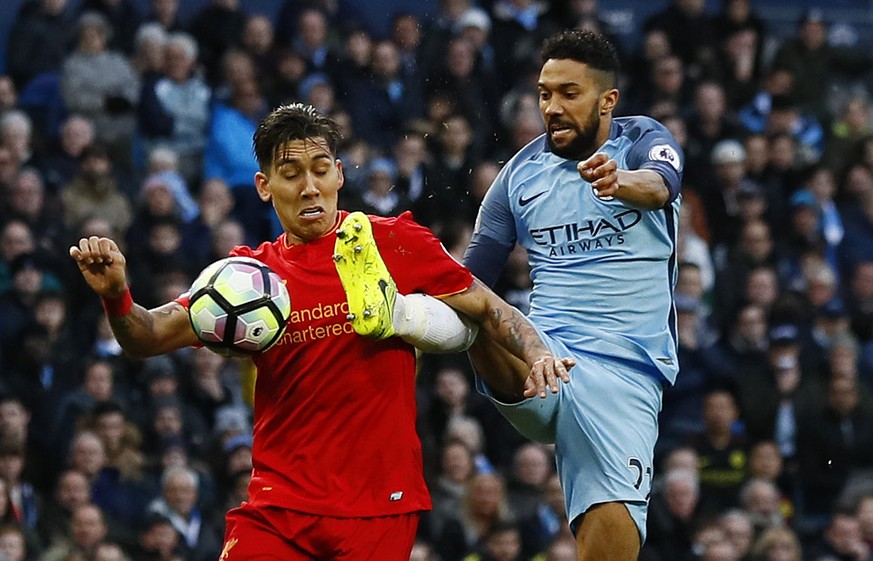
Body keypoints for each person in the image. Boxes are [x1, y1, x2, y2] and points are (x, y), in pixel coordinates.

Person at [69, 102, 571, 560]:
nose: (308, 187)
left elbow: (486, 306)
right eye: (290, 174)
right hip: (278, 507)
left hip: (379, 507)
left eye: (319, 170)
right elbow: (147, 336)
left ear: (338, 174)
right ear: (265, 185)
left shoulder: (391, 243)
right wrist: (117, 294)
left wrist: (539, 353)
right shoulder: (245, 279)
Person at [335, 30, 681, 561]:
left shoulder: (640, 139)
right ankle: (394, 311)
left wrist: (620, 182)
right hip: (540, 355)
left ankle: (403, 312)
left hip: (624, 370)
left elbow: (662, 184)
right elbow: (474, 275)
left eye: (569, 93)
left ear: (607, 99)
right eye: (545, 93)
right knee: (469, 299)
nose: (552, 107)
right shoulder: (519, 175)